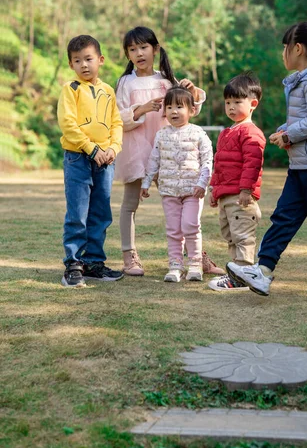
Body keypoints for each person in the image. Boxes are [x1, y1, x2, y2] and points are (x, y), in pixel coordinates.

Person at [227, 21, 307, 302]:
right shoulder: (305, 80)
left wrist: (288, 136)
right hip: (300, 165)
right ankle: (262, 271)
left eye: (284, 48)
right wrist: (286, 129)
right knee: (283, 219)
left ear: (297, 48)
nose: (282, 53)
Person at [115, 26, 223, 277]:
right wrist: (140, 109)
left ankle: (197, 257)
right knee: (130, 204)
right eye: (132, 49)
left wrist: (193, 91)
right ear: (127, 54)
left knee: (184, 203)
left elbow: (188, 107)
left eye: (143, 47)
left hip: (170, 150)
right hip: (137, 147)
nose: (139, 53)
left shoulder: (166, 80)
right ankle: (129, 256)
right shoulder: (125, 82)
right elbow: (117, 118)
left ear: (155, 49)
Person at [57, 35, 124, 288]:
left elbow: (116, 122)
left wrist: (113, 148)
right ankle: (73, 264)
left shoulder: (108, 90)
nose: (84, 65)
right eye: (77, 60)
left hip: (105, 160)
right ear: (71, 64)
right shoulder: (70, 90)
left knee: (100, 212)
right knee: (78, 212)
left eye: (88, 59)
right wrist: (92, 149)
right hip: (78, 158)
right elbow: (68, 125)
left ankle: (94, 262)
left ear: (100, 60)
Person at [140, 87, 213, 282]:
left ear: (191, 110)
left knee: (191, 225)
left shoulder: (198, 133)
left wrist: (202, 183)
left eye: (179, 106)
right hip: (169, 191)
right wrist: (146, 182)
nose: (173, 111)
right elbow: (154, 160)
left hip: (193, 191)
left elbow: (207, 160)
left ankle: (195, 264)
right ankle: (175, 265)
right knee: (173, 229)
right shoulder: (161, 134)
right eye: (169, 106)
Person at [208, 72, 266, 291]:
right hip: (226, 195)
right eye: (227, 102)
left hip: (241, 197)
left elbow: (253, 164)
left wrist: (246, 189)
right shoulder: (226, 133)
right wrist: (215, 189)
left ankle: (243, 273)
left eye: (236, 102)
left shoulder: (251, 133)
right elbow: (220, 164)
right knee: (231, 236)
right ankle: (236, 273)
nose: (231, 107)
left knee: (243, 236)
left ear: (252, 104)